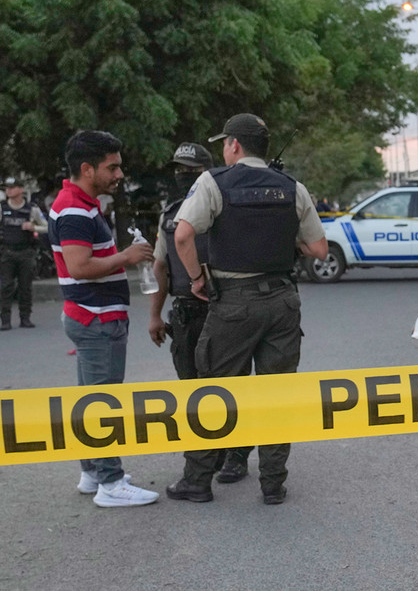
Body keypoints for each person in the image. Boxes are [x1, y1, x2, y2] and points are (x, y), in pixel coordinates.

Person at [165, 114, 328, 506]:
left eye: (225, 143)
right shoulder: (292, 188)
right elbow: (319, 249)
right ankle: (273, 483)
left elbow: (183, 234)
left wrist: (197, 279)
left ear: (235, 145)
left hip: (234, 302)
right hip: (282, 301)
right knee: (277, 392)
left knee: (214, 390)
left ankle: (198, 480)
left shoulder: (214, 182)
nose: (224, 149)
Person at [50, 130, 160, 507]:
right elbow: (79, 266)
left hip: (92, 316)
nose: (119, 174)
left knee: (90, 399)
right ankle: (110, 484)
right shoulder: (75, 210)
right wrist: (126, 258)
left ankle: (93, 471)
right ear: (87, 169)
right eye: (112, 167)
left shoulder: (80, 203)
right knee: (103, 403)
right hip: (95, 318)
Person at [148, 143, 250, 482]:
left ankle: (237, 454)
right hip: (185, 311)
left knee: (231, 387)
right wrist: (154, 315)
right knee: (191, 390)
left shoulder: (225, 205)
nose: (183, 175)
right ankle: (208, 456)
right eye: (178, 169)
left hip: (223, 307)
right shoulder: (170, 213)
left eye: (190, 170)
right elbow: (161, 267)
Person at [1, 176, 48, 329]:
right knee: (5, 287)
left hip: (26, 252)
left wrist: (33, 227)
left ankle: (25, 318)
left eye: (12, 187)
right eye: (7, 188)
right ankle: (5, 320)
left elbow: (46, 226)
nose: (9, 190)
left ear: (21, 190)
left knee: (25, 287)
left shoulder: (31, 209)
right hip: (7, 252)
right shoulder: (2, 208)